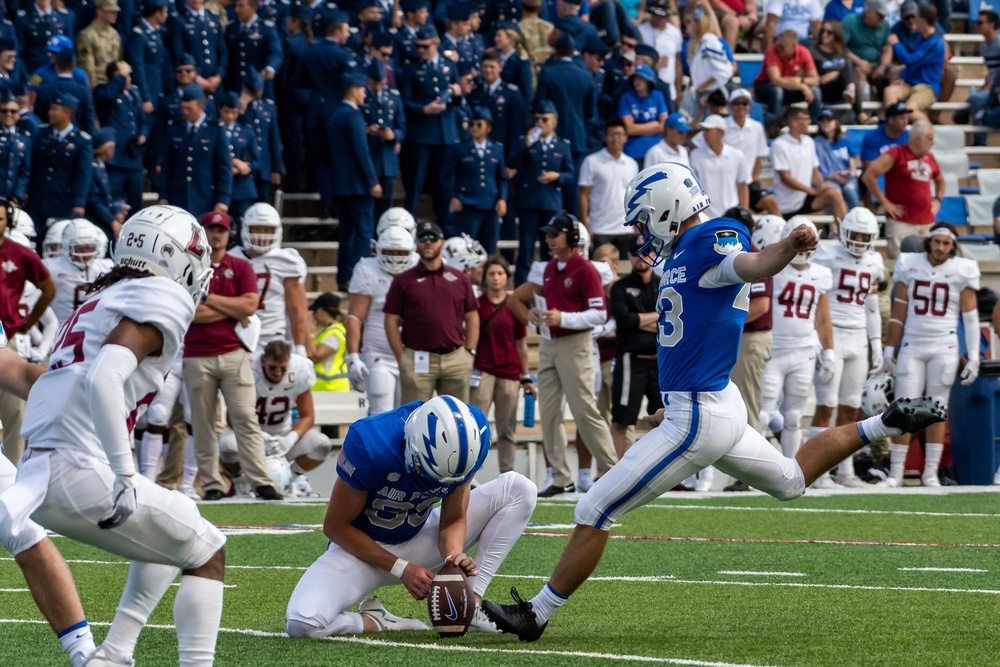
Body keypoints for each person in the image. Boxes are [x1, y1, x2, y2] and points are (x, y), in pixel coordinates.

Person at [480, 162, 946, 641]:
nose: (640, 231)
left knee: (594, 509)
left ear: (667, 209)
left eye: (644, 219)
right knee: (790, 481)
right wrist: (672, 404)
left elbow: (748, 265)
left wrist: (786, 246)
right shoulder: (683, 252)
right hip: (711, 401)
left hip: (700, 412)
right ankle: (884, 424)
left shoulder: (711, 238)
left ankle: (534, 614)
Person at [4, 206, 228, 666]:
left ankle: (114, 654)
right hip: (79, 466)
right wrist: (125, 472)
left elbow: (42, 378)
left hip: (42, 467)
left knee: (176, 523)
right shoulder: (163, 294)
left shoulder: (100, 298)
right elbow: (104, 376)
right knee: (209, 552)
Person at [285, 395, 536, 637]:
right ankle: (376, 621)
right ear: (411, 447)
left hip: (421, 535)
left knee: (520, 489)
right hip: (362, 553)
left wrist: (453, 557)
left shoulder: (472, 437)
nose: (435, 485)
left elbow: (453, 519)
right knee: (302, 624)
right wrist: (401, 569)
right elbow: (336, 527)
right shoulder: (371, 441)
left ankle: (470, 604)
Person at [508, 213, 619, 497]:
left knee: (584, 411)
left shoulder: (585, 270)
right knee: (549, 412)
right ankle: (560, 477)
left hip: (575, 344)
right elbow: (516, 301)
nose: (547, 239)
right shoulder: (547, 269)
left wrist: (563, 319)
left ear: (570, 238)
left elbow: (599, 314)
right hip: (549, 343)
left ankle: (613, 470)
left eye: (553, 235)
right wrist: (534, 317)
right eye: (547, 234)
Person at [182, 210, 281, 501]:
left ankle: (260, 481)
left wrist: (208, 298)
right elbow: (192, 312)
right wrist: (231, 307)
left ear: (229, 233)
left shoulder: (241, 266)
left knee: (245, 418)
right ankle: (212, 484)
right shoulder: (188, 266)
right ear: (203, 232)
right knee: (203, 423)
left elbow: (249, 305)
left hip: (234, 352)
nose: (216, 235)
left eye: (221, 230)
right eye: (212, 229)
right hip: (197, 354)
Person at [882, 223, 980, 487]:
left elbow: (970, 318)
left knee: (937, 409)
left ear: (953, 246)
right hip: (912, 344)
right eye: (937, 242)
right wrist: (888, 350)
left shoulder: (962, 269)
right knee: (903, 407)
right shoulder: (910, 264)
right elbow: (898, 311)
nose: (940, 248)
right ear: (929, 242)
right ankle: (895, 472)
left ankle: (931, 473)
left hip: (944, 347)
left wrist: (973, 356)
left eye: (946, 244)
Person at [810, 207, 884, 487]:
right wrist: (818, 339)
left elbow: (872, 307)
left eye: (864, 235)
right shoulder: (828, 256)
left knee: (851, 408)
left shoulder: (873, 262)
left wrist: (876, 344)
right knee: (825, 405)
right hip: (833, 336)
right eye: (854, 234)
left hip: (857, 337)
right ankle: (817, 472)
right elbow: (817, 301)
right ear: (843, 232)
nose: (858, 241)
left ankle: (845, 471)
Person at [758, 217, 834, 463]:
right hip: (774, 349)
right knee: (762, 413)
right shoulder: (774, 268)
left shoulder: (822, 274)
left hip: (804, 352)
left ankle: (790, 471)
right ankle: (751, 470)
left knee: (792, 417)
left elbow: (823, 318)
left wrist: (830, 351)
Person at [219, 340, 333, 498]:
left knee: (322, 445)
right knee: (227, 445)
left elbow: (308, 416)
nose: (278, 373)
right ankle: (241, 484)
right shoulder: (248, 369)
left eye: (283, 368)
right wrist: (258, 436)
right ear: (263, 361)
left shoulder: (299, 369)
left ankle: (290, 478)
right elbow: (232, 417)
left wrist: (290, 439)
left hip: (283, 434)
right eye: (273, 367)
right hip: (250, 435)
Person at [384, 221, 479, 404]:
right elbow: (391, 320)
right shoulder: (404, 280)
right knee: (413, 419)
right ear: (416, 244)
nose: (428, 242)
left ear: (442, 243)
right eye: (423, 238)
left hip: (455, 358)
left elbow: (472, 315)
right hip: (417, 359)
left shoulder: (459, 278)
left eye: (433, 238)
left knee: (456, 418)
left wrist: (470, 352)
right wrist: (402, 357)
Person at [0, 199, 54, 465]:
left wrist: (27, 324)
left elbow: (49, 288)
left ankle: (13, 478)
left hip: (6, 336)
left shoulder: (19, 253)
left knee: (14, 414)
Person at [346, 221, 417, 414]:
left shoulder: (421, 267)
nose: (395, 258)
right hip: (378, 355)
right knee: (382, 412)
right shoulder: (367, 269)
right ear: (378, 250)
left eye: (401, 253)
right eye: (390, 252)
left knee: (412, 416)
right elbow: (354, 317)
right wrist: (353, 355)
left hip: (414, 355)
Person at [471, 254, 533, 474]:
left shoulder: (514, 304)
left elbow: (521, 345)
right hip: (483, 371)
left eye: (500, 273)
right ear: (485, 277)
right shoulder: (476, 305)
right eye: (491, 274)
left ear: (506, 277)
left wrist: (525, 377)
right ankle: (470, 476)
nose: (496, 278)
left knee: (507, 430)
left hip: (509, 373)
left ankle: (507, 475)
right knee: (475, 430)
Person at [229, 202, 311, 355]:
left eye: (267, 229)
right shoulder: (232, 258)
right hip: (237, 335)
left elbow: (297, 309)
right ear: (246, 229)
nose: (262, 235)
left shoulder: (287, 260)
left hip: (274, 337)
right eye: (257, 229)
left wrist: (300, 345)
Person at [399, 24, 460, 225]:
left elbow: (457, 99)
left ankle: (445, 224)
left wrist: (458, 94)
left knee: (443, 182)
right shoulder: (412, 68)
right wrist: (423, 109)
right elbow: (405, 101)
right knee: (415, 181)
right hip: (422, 131)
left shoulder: (449, 66)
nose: (421, 51)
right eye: (418, 46)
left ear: (436, 44)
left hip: (445, 131)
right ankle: (409, 223)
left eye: (425, 46)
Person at [608, 235, 663, 457]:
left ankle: (663, 473)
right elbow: (625, 321)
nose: (642, 255)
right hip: (631, 359)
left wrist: (640, 320)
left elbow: (674, 320)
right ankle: (616, 472)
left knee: (666, 418)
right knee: (622, 418)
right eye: (636, 251)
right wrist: (658, 318)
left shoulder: (665, 283)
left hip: (661, 360)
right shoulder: (620, 287)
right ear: (629, 255)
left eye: (647, 250)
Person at [508, 100, 574, 285]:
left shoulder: (562, 146)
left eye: (545, 119)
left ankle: (550, 285)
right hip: (528, 202)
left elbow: (570, 175)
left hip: (550, 202)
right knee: (526, 249)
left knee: (550, 248)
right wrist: (526, 145)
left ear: (554, 121)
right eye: (537, 119)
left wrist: (557, 176)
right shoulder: (527, 141)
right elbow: (511, 163)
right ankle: (521, 286)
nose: (540, 123)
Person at [861, 119, 942, 259]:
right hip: (901, 221)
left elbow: (940, 181)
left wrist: (938, 200)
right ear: (917, 139)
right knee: (900, 262)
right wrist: (885, 203)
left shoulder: (929, 157)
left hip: (927, 221)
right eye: (929, 139)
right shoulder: (896, 154)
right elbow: (868, 176)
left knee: (928, 266)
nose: (932, 143)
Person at [155, 83, 233, 218]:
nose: (184, 112)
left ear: (201, 106)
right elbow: (167, 165)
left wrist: (223, 199)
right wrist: (163, 194)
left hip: (206, 197)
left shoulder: (215, 130)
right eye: (183, 108)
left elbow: (224, 167)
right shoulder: (174, 128)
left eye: (189, 109)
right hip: (178, 197)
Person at [442, 106, 508, 253]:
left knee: (489, 246)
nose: (474, 128)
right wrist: (452, 197)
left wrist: (502, 199)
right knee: (466, 247)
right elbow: (446, 175)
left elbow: (501, 178)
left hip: (490, 204)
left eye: (479, 124)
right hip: (467, 203)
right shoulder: (460, 149)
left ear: (488, 127)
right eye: (472, 124)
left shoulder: (497, 149)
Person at [770, 107, 848, 226]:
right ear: (794, 122)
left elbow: (815, 172)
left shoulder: (809, 141)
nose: (810, 122)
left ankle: (844, 235)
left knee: (835, 192)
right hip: (786, 205)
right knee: (835, 192)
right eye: (806, 119)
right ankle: (840, 231)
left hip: (804, 198)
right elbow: (785, 178)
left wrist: (821, 185)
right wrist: (810, 190)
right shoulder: (779, 144)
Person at [27, 92, 93, 226]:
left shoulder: (81, 141)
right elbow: (32, 164)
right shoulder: (42, 133)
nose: (50, 112)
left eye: (55, 109)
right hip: (38, 199)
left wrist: (78, 203)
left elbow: (83, 175)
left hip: (62, 202)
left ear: (67, 113)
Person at [94, 60, 148, 217]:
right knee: (115, 205)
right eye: (125, 75)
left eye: (129, 75)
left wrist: (143, 134)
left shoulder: (133, 94)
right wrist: (119, 78)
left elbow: (142, 118)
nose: (128, 78)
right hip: (115, 159)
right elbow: (107, 98)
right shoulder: (103, 90)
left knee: (136, 205)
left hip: (133, 157)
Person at [578, 119, 638, 257]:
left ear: (625, 137)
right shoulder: (591, 161)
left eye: (619, 134)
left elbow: (635, 197)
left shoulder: (632, 164)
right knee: (601, 272)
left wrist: (637, 224)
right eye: (612, 134)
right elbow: (583, 195)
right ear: (605, 137)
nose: (615, 138)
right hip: (600, 229)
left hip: (626, 229)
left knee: (625, 270)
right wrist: (586, 227)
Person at [42, 218, 113, 326]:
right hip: (61, 328)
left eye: (90, 247)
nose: (85, 252)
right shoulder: (52, 267)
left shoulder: (106, 267)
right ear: (67, 246)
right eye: (80, 247)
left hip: (95, 328)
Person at [361, 58, 405, 223]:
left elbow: (402, 127)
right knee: (367, 208)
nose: (377, 86)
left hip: (387, 159)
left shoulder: (393, 98)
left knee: (385, 209)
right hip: (369, 156)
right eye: (374, 82)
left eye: (380, 82)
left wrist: (393, 136)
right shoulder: (363, 96)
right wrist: (367, 130)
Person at [883, 4, 944, 122]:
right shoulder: (920, 38)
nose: (913, 21)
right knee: (889, 91)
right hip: (910, 84)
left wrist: (896, 44)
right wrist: (903, 77)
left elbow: (911, 60)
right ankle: (893, 126)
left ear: (922, 20)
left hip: (927, 87)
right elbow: (912, 65)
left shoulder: (935, 44)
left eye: (916, 18)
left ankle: (929, 134)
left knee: (910, 110)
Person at [753, 30, 821, 124]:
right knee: (777, 90)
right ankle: (772, 124)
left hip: (789, 88)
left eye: (782, 46)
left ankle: (815, 124)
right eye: (778, 44)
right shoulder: (772, 50)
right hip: (765, 86)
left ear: (793, 46)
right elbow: (776, 80)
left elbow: (816, 80)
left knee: (815, 91)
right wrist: (802, 86)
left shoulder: (804, 52)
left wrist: (801, 80)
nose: (778, 48)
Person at [689, 113, 750, 219]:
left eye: (708, 130)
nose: (704, 134)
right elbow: (693, 189)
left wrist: (743, 212)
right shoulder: (695, 155)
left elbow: (742, 186)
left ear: (720, 132)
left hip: (732, 216)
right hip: (705, 217)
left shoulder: (737, 155)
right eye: (703, 130)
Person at [166, 0, 227, 95]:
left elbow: (223, 51)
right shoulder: (178, 19)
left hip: (215, 83)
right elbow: (178, 52)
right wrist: (196, 77)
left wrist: (219, 75)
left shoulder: (213, 18)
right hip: (192, 82)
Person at [683, 3, 732, 117]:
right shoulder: (698, 44)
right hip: (703, 94)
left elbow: (724, 71)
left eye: (689, 22)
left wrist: (702, 86)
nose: (687, 27)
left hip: (711, 95)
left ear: (698, 23)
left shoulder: (709, 41)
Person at [218, 90, 260, 223]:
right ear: (220, 110)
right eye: (226, 112)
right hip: (218, 186)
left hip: (242, 187)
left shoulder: (246, 131)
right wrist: (234, 161)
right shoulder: (213, 129)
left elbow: (257, 161)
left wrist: (240, 168)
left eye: (234, 112)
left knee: (243, 223)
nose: (230, 116)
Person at [618, 64, 668, 169]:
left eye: (641, 78)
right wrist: (654, 125)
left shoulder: (657, 96)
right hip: (632, 150)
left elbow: (664, 126)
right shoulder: (626, 98)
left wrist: (637, 127)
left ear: (649, 81)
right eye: (636, 77)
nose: (637, 81)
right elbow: (629, 129)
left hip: (655, 150)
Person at [810, 20, 861, 122]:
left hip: (841, 88)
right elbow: (815, 79)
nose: (824, 34)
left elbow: (848, 71)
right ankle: (860, 114)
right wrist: (835, 74)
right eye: (822, 31)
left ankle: (850, 92)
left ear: (836, 35)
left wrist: (836, 74)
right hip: (824, 89)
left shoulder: (842, 51)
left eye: (829, 32)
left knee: (851, 73)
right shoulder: (813, 52)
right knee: (848, 75)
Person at [841, 0, 892, 100]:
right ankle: (861, 108)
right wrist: (859, 61)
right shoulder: (850, 21)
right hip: (854, 63)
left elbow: (887, 50)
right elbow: (840, 47)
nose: (883, 19)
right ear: (868, 11)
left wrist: (883, 66)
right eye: (880, 15)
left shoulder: (885, 25)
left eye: (884, 16)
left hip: (876, 63)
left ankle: (891, 108)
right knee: (859, 72)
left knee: (896, 71)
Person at [814, 110, 860, 209]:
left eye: (828, 120)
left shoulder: (844, 141)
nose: (825, 123)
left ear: (836, 122)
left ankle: (856, 218)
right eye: (822, 121)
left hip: (846, 177)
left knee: (849, 189)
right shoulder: (815, 143)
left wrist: (850, 173)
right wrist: (829, 176)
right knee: (834, 191)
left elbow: (852, 162)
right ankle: (835, 223)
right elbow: (814, 168)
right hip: (827, 178)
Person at [639, 0, 682, 98]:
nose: (658, 19)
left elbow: (678, 63)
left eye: (662, 16)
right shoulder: (641, 30)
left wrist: (679, 90)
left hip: (669, 87)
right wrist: (655, 64)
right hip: (647, 86)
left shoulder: (675, 33)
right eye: (656, 15)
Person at [309, 291, 349, 394]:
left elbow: (316, 356)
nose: (313, 314)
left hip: (332, 390)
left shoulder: (335, 332)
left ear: (322, 310)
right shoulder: (328, 331)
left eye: (315, 310)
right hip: (326, 390)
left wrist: (310, 333)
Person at [76, 0, 122, 87]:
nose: (115, 14)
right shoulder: (87, 35)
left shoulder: (115, 35)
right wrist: (93, 88)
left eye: (116, 12)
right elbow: (87, 66)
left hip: (114, 86)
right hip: (98, 86)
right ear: (99, 10)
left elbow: (119, 62)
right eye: (111, 11)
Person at [0, 93, 32, 206]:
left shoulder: (24, 138)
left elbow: (25, 170)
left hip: (12, 197)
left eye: (13, 111)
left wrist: (18, 195)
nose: (8, 114)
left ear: (18, 114)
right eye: (4, 111)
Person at [859, 100, 909, 170]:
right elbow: (870, 170)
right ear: (891, 120)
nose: (905, 121)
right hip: (880, 177)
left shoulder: (909, 136)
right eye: (902, 118)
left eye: (907, 118)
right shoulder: (872, 137)